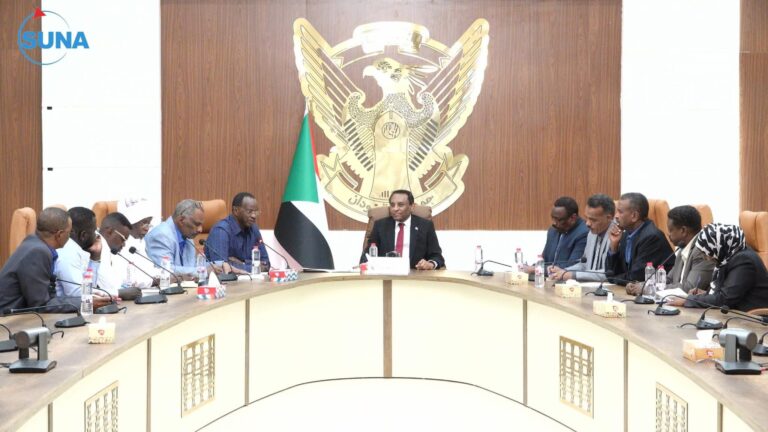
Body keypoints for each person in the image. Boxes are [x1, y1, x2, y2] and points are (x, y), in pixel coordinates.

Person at [0, 207, 109, 312]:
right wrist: (85, 302)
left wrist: (85, 300)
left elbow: (47, 298)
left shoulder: (34, 244)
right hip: (8, 320)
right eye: (69, 232)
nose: (70, 237)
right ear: (59, 235)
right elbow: (41, 304)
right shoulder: (38, 252)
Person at [667, 224, 768, 311]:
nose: (706, 257)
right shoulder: (728, 256)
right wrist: (707, 293)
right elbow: (727, 292)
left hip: (754, 319)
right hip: (735, 314)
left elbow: (724, 299)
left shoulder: (743, 260)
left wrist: (687, 300)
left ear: (719, 245)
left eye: (708, 252)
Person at [626, 205, 713, 295]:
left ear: (683, 230)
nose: (668, 234)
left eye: (671, 230)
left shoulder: (702, 251)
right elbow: (668, 279)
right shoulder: (682, 247)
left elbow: (688, 288)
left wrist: (647, 289)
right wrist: (641, 285)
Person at [361, 189, 445, 270]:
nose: (395, 209)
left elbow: (437, 256)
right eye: (392, 205)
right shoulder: (380, 225)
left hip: (415, 274)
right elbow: (366, 256)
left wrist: (430, 264)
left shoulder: (425, 226)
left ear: (412, 207)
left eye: (400, 205)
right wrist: (366, 266)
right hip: (386, 274)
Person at [604, 192, 674, 285]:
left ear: (634, 216)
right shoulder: (626, 233)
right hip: (630, 289)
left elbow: (636, 277)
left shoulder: (651, 237)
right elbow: (610, 273)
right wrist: (614, 247)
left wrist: (613, 278)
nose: (616, 216)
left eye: (620, 212)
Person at [549, 194, 615, 282]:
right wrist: (564, 271)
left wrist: (573, 275)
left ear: (609, 218)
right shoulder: (592, 233)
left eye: (593, 220)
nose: (587, 223)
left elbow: (609, 273)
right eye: (586, 218)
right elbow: (584, 265)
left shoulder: (617, 236)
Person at [204, 192, 270, 274]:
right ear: (236, 211)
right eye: (249, 211)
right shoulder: (221, 231)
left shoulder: (253, 229)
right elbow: (221, 269)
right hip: (227, 281)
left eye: (256, 212)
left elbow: (266, 265)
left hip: (249, 280)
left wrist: (242, 263)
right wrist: (254, 265)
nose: (254, 216)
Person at [54, 207, 109, 299]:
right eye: (94, 231)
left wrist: (95, 258)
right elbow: (75, 292)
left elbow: (90, 287)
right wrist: (111, 294)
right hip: (64, 307)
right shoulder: (68, 251)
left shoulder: (75, 249)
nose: (96, 235)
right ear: (83, 235)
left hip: (77, 305)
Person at [523, 196, 589, 274]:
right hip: (548, 279)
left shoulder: (584, 233)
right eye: (553, 218)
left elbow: (572, 266)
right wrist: (531, 267)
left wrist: (535, 269)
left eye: (559, 220)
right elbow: (545, 260)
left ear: (573, 218)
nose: (554, 223)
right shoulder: (553, 231)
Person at [145, 199, 204, 277]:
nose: (200, 230)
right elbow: (165, 271)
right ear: (181, 220)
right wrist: (202, 271)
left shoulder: (188, 236)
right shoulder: (161, 235)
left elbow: (192, 268)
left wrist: (216, 266)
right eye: (196, 224)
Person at [93, 212, 140, 298]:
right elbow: (109, 286)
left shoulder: (108, 248)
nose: (124, 244)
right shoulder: (98, 246)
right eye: (123, 239)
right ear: (109, 231)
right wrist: (123, 292)